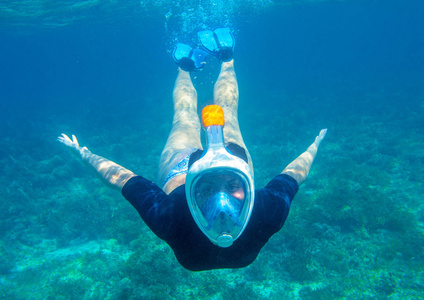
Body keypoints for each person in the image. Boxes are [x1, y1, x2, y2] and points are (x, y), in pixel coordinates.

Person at [58, 28, 327, 271]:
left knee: (205, 114)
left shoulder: (170, 218)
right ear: (191, 188)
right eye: (208, 188)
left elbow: (124, 180)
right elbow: (293, 176)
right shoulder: (267, 212)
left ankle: (221, 58)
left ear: (247, 184)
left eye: (232, 184)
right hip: (191, 163)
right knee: (190, 114)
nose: (221, 206)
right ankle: (188, 65)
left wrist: (85, 154)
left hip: (184, 163)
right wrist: (82, 153)